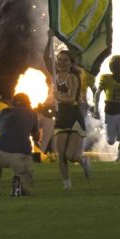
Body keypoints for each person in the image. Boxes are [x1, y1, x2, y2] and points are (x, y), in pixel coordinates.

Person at [42, 33, 91, 189]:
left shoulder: (72, 77)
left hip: (74, 116)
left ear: (71, 63)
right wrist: (49, 38)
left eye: (65, 60)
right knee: (60, 154)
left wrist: (57, 97)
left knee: (71, 156)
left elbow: (71, 99)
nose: (62, 63)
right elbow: (45, 58)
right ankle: (67, 184)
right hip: (62, 116)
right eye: (60, 60)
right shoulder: (55, 75)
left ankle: (83, 161)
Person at [0, 93, 38, 197]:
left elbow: (2, 130)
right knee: (29, 189)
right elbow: (36, 136)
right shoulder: (32, 113)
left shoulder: (2, 112)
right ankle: (19, 183)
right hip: (21, 155)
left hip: (0, 153)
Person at [93, 55, 120, 162]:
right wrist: (95, 109)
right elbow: (98, 93)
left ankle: (118, 159)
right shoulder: (106, 78)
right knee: (111, 141)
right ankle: (118, 135)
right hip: (109, 111)